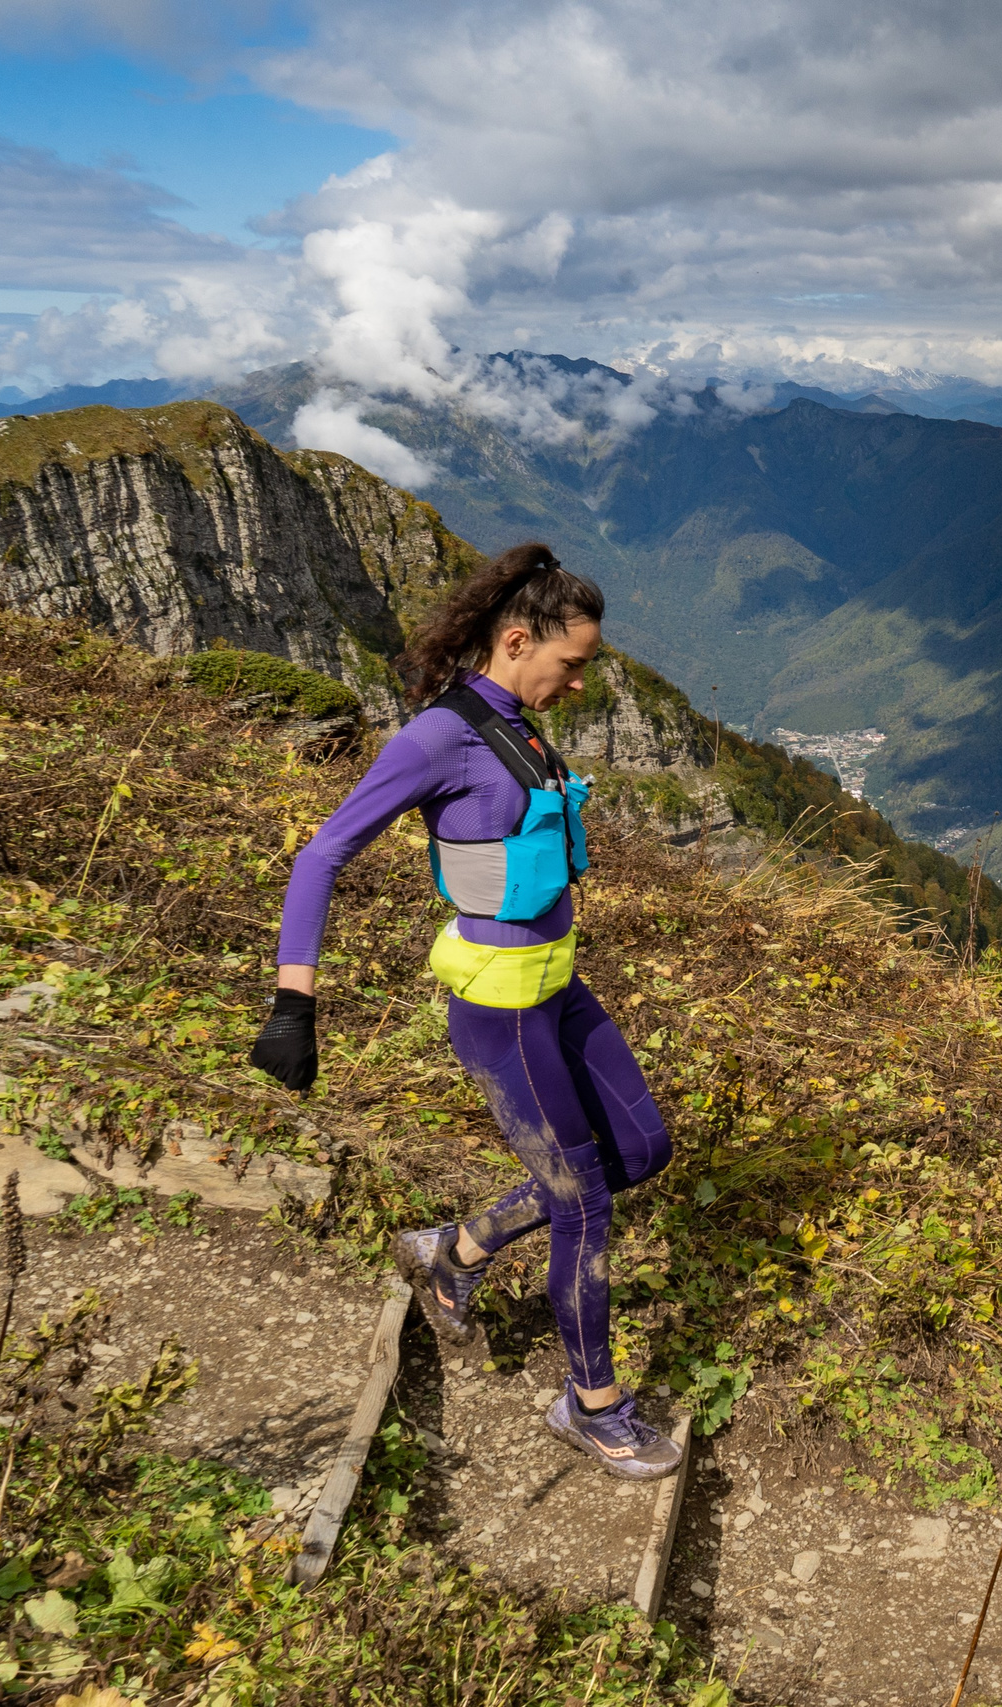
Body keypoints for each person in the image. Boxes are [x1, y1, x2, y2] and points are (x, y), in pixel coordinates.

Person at [248, 542, 682, 1481]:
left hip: (558, 989)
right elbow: (322, 855)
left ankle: (460, 1249)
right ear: (518, 639)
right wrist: (294, 1001)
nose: (578, 685)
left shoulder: (517, 720)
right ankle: (592, 1402)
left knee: (643, 1150)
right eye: (571, 664)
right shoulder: (438, 736)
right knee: (584, 1201)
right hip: (499, 1012)